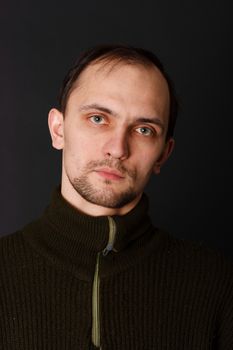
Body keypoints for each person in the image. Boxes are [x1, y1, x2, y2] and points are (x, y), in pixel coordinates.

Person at [0, 45, 232, 350]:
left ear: (163, 153)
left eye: (144, 129)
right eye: (98, 119)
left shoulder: (218, 285)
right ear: (59, 130)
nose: (118, 148)